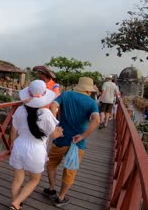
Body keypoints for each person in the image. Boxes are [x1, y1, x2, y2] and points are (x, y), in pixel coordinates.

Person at [44, 77, 100, 207]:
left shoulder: (66, 94)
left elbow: (53, 106)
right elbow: (96, 121)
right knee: (70, 170)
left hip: (61, 138)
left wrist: (54, 125)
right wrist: (82, 136)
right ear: (89, 90)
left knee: (52, 164)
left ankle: (51, 189)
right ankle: (61, 198)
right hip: (77, 143)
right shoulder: (92, 103)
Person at [9, 80, 64, 210]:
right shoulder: (45, 114)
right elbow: (53, 134)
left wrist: (12, 145)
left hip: (19, 146)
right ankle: (16, 203)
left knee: (17, 179)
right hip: (36, 150)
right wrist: (60, 132)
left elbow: (13, 130)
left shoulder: (20, 110)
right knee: (34, 179)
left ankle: (16, 203)